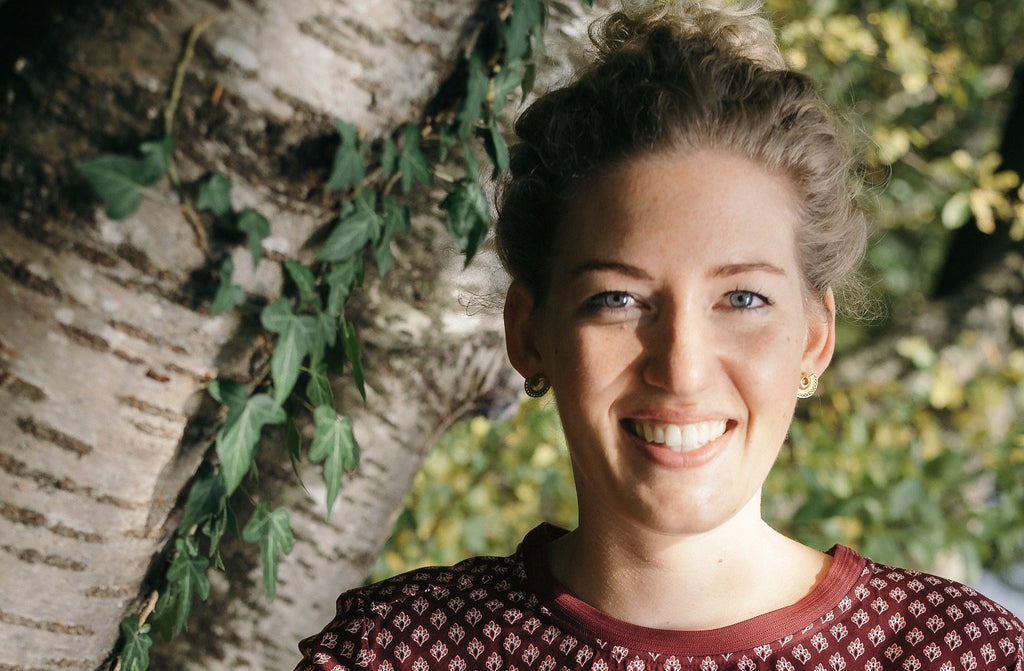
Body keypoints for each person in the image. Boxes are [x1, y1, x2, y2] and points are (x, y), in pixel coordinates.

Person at [294, 2, 1024, 669]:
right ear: (529, 333)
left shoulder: (961, 657)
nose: (682, 368)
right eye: (617, 299)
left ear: (813, 338)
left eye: (743, 298)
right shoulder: (392, 653)